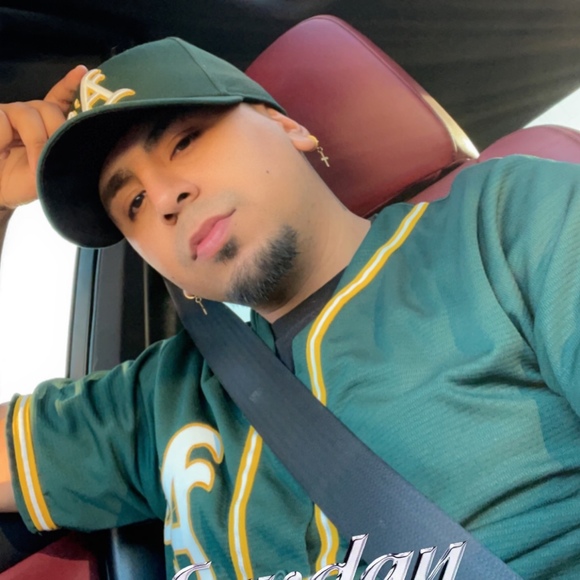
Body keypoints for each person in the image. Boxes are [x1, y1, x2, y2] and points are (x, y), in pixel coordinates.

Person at [0, 36, 579, 580]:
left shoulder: (505, 222)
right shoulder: (158, 399)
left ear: (287, 125)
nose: (166, 198)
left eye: (184, 141)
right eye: (133, 203)